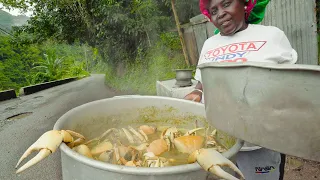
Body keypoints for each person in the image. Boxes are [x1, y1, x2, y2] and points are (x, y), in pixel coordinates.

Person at [184, 0, 298, 179]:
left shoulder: (271, 35)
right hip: (218, 139)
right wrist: (197, 92)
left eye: (227, 4)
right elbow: (202, 80)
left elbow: (290, 81)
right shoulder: (210, 44)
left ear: (245, 4)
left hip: (260, 140)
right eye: (213, 11)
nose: (220, 13)